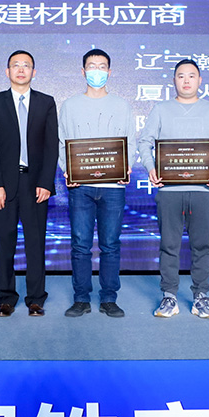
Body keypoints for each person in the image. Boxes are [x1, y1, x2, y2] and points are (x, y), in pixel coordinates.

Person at [137, 59, 209, 319]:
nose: (186, 80)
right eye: (181, 76)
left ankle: (201, 296)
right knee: (169, 245)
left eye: (191, 76)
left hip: (203, 190)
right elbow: (145, 142)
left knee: (202, 245)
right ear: (174, 80)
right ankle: (169, 296)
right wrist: (151, 167)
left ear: (200, 80)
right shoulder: (161, 109)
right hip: (169, 190)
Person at [58, 48, 135, 319]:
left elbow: (129, 141)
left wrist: (126, 166)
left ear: (109, 72)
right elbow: (62, 142)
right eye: (92, 66)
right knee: (80, 244)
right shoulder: (70, 105)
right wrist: (68, 170)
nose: (97, 71)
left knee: (110, 244)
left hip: (114, 187)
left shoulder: (122, 105)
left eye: (102, 67)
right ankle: (81, 298)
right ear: (83, 71)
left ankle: (109, 298)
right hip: (80, 187)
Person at [0, 50, 59, 317]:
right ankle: (5, 298)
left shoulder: (46, 103)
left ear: (34, 72)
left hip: (36, 185)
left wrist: (46, 181)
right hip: (5, 184)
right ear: (7, 72)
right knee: (4, 243)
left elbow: (51, 146)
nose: (21, 69)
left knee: (35, 243)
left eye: (26, 65)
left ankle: (36, 298)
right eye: (16, 65)